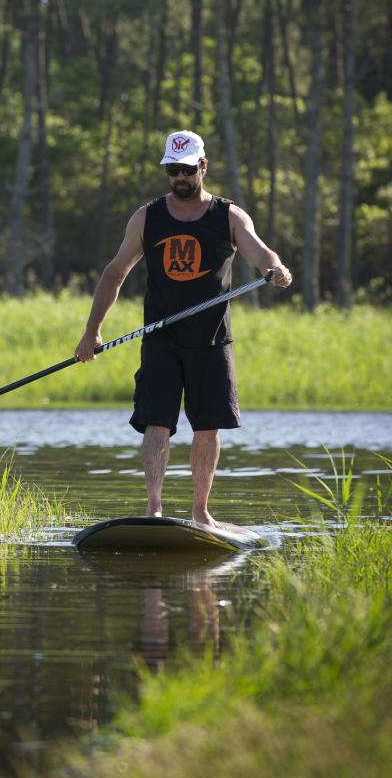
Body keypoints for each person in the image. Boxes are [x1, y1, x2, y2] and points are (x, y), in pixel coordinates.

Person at [75, 129, 292, 526]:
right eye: (173, 170)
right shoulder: (148, 217)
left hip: (211, 340)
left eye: (187, 170)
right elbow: (113, 275)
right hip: (162, 339)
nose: (179, 177)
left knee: (207, 428)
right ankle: (154, 506)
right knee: (157, 423)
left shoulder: (228, 216)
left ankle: (200, 511)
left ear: (203, 167)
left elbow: (263, 253)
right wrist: (92, 332)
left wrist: (274, 270)